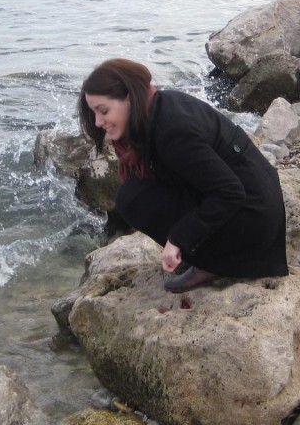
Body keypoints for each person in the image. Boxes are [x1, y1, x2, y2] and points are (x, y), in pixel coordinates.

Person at [78, 58, 288, 293]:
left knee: (132, 198)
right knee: (141, 190)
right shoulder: (160, 106)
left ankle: (211, 263)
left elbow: (229, 193)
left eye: (103, 111)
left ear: (129, 97)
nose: (98, 122)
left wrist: (179, 238)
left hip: (253, 222)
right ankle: (202, 253)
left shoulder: (172, 131)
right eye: (93, 113)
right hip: (257, 207)